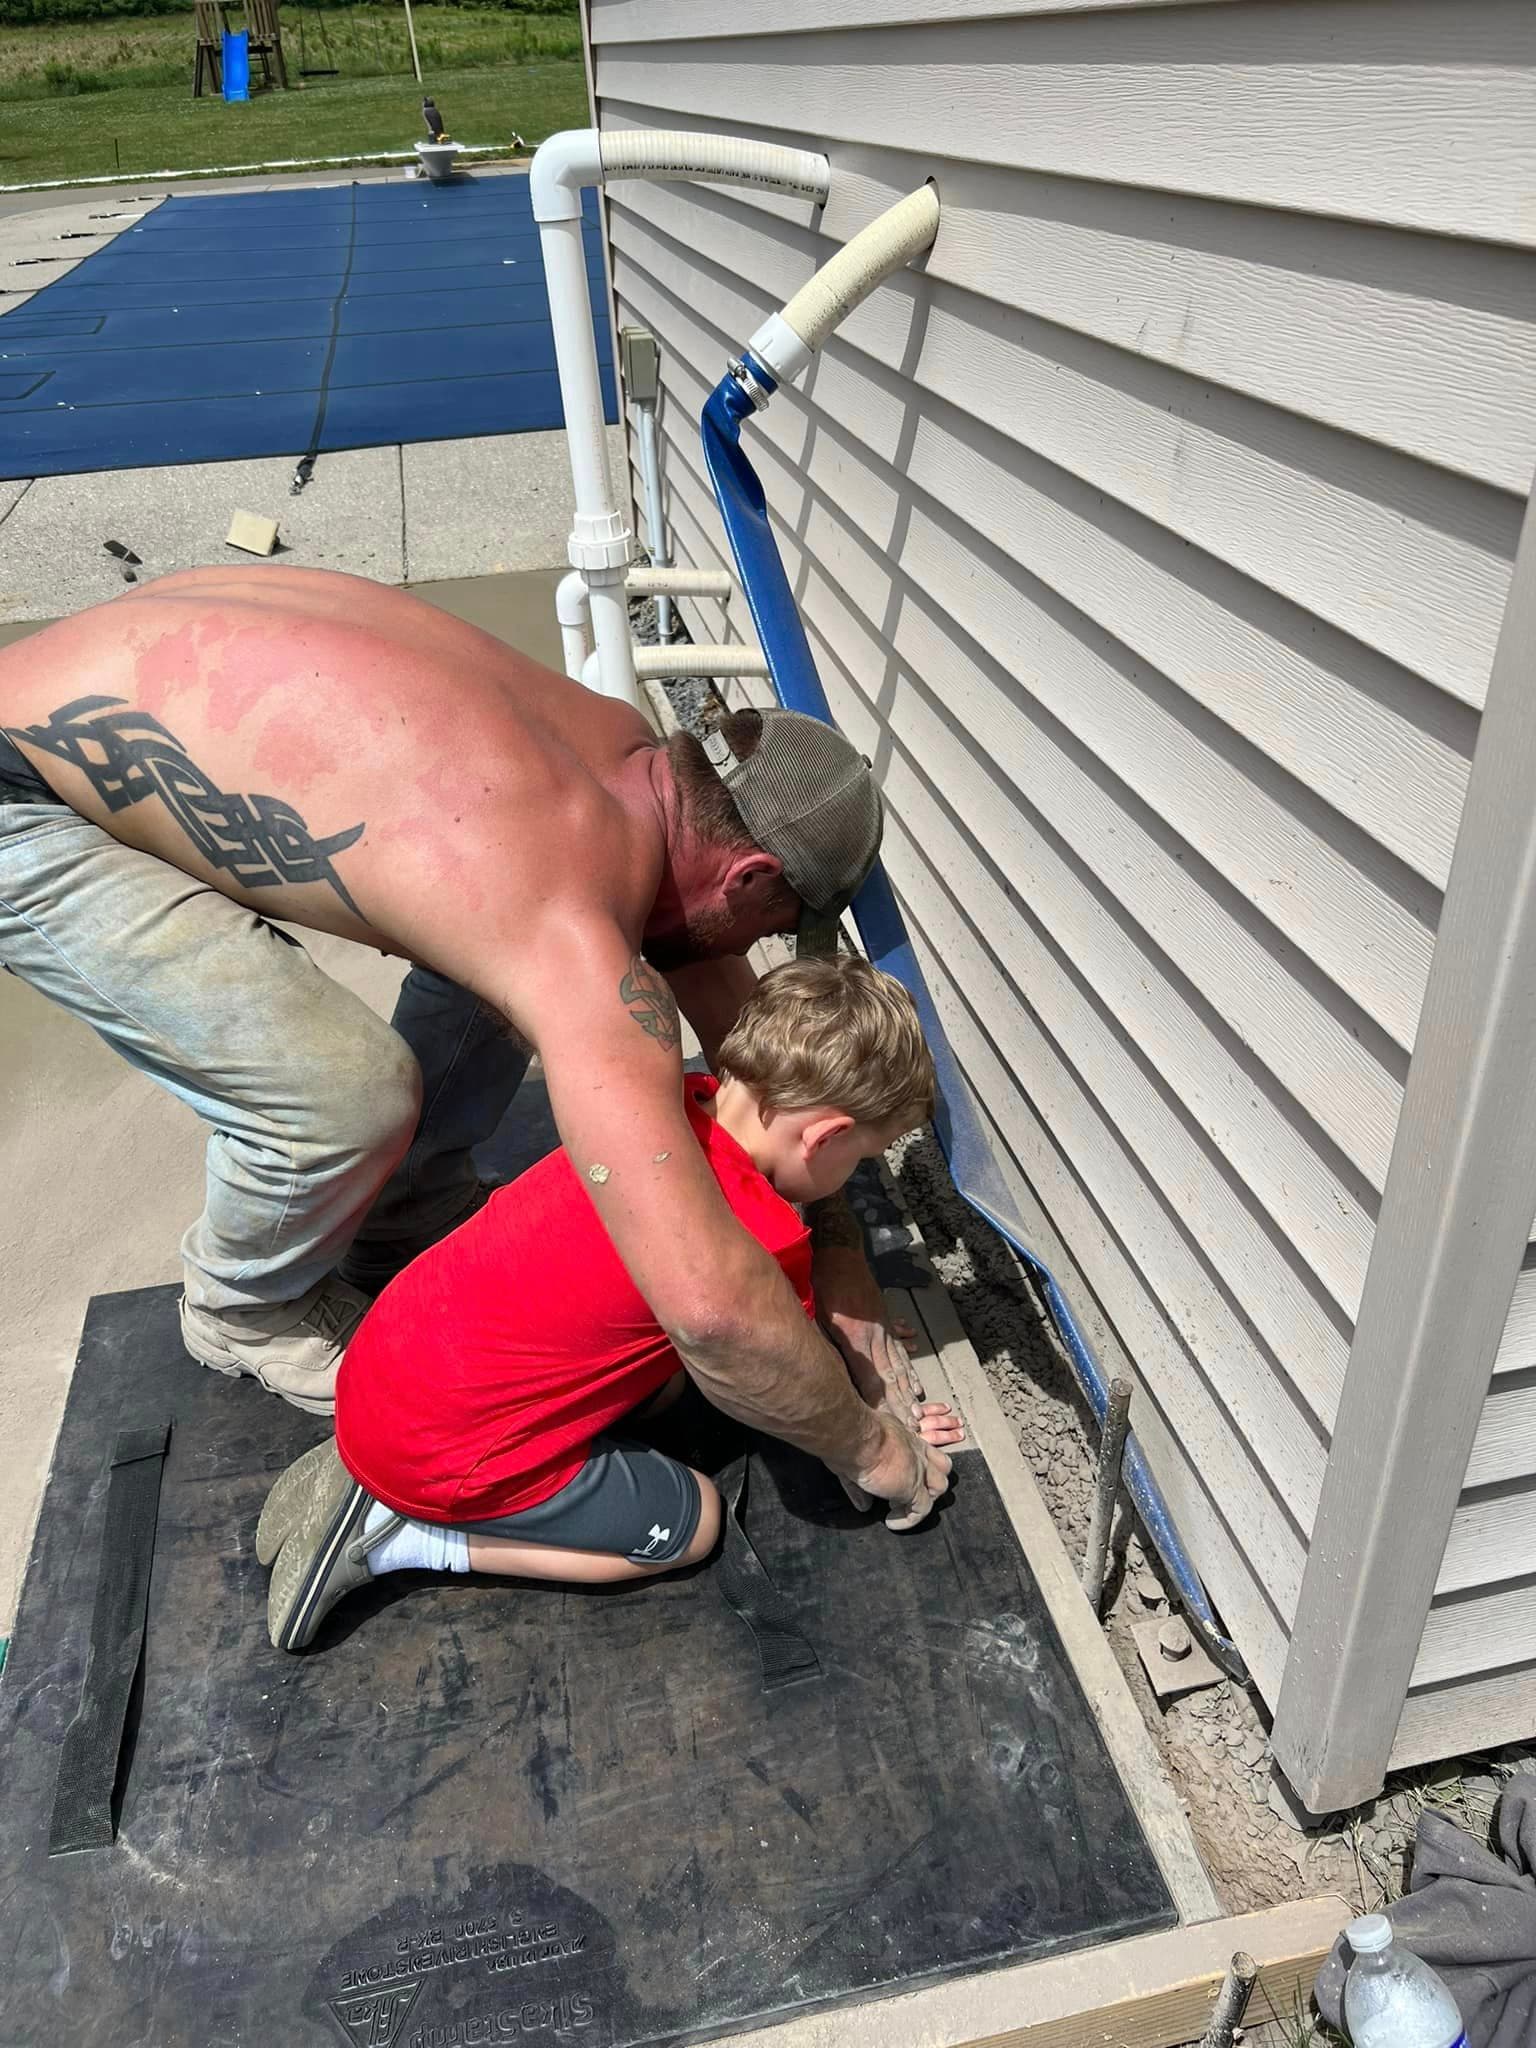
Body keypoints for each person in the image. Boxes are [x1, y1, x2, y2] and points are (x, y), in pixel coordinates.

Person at [0, 567, 946, 1528]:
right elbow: (708, 1311)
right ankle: (240, 1307)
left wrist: (840, 1260)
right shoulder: (560, 914)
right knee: (344, 1098)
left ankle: (399, 1207)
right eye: (773, 928)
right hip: (21, 794)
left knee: (493, 962)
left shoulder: (622, 757)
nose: (752, 953)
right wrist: (873, 1450)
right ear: (747, 877)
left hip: (108, 677)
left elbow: (757, 1050)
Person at [255, 954, 963, 1650]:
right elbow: (790, 1379)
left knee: (652, 1376)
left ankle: (376, 1471)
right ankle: (412, 1533)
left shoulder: (655, 1111)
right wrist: (875, 1433)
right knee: (689, 1524)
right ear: (826, 1137)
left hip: (384, 1366)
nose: (855, 1172)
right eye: (864, 1157)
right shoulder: (760, 1240)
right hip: (439, 1449)